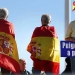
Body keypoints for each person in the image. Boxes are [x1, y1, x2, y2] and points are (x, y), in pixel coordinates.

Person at [0, 8, 20, 75]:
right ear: (7, 16)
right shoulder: (10, 25)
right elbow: (12, 39)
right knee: (5, 72)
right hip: (5, 53)